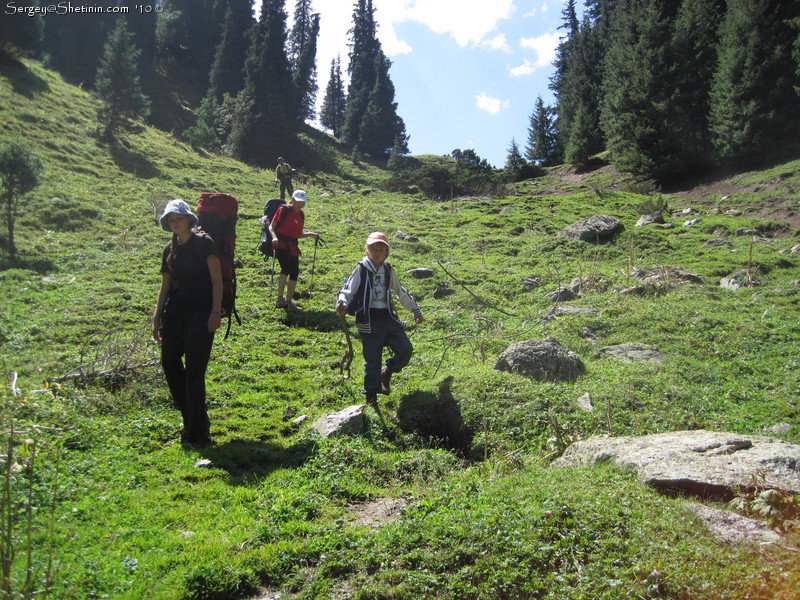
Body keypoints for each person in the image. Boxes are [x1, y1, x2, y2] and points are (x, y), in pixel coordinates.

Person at [151, 199, 222, 447]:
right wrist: (156, 317)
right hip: (175, 314)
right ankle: (192, 419)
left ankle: (197, 433)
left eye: (179, 217)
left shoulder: (204, 243)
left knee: (194, 371)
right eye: (171, 219)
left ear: (189, 219)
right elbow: (165, 285)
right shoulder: (169, 250)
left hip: (202, 313)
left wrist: (215, 312)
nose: (175, 222)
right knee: (169, 362)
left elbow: (217, 280)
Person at [335, 232, 424, 406]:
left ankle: (388, 371)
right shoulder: (362, 268)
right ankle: (371, 396)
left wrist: (415, 310)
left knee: (405, 349)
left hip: (388, 318)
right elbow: (348, 289)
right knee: (372, 359)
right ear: (367, 250)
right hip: (368, 319)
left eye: (380, 248)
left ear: (386, 252)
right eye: (373, 248)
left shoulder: (388, 270)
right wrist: (342, 303)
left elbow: (400, 291)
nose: (376, 251)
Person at [268, 189, 319, 310]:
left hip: (292, 246)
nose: (301, 204)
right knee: (285, 269)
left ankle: (289, 301)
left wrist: (312, 234)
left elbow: (298, 234)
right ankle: (280, 299)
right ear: (293, 199)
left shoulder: (301, 214)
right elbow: (272, 226)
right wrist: (274, 238)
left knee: (295, 272)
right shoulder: (284, 210)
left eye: (303, 202)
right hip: (280, 244)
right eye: (299, 201)